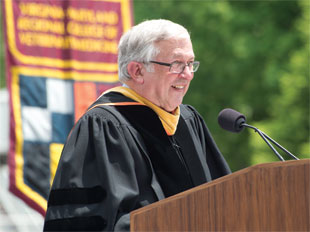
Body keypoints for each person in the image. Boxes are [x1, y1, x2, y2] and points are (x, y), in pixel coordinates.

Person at [43, 19, 231, 231]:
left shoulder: (188, 122)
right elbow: (93, 220)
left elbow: (226, 200)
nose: (187, 74)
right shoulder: (104, 127)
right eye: (176, 64)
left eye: (190, 64)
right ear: (137, 71)